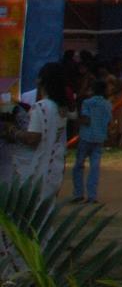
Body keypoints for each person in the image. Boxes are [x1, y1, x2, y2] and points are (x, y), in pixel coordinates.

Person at [14, 66, 68, 202]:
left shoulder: (41, 107)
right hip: (54, 165)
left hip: (39, 167)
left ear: (40, 81)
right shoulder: (60, 108)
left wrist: (13, 132)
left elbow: (33, 138)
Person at [71, 76, 113, 204]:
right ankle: (92, 195)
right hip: (99, 138)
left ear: (93, 90)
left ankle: (78, 193)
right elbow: (109, 121)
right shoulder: (107, 104)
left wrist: (76, 121)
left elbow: (86, 119)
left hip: (86, 136)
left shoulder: (87, 102)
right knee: (94, 167)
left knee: (79, 165)